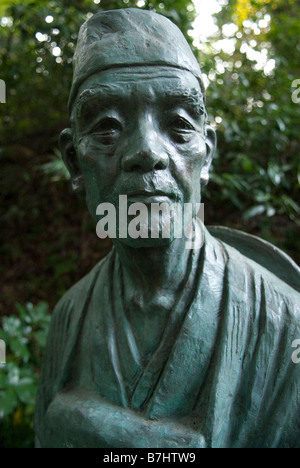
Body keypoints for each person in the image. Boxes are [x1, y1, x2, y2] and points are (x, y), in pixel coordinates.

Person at [35, 8, 300, 448]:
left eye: (178, 125)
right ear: (74, 162)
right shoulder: (70, 316)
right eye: (107, 129)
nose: (146, 152)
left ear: (207, 155)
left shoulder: (287, 324)